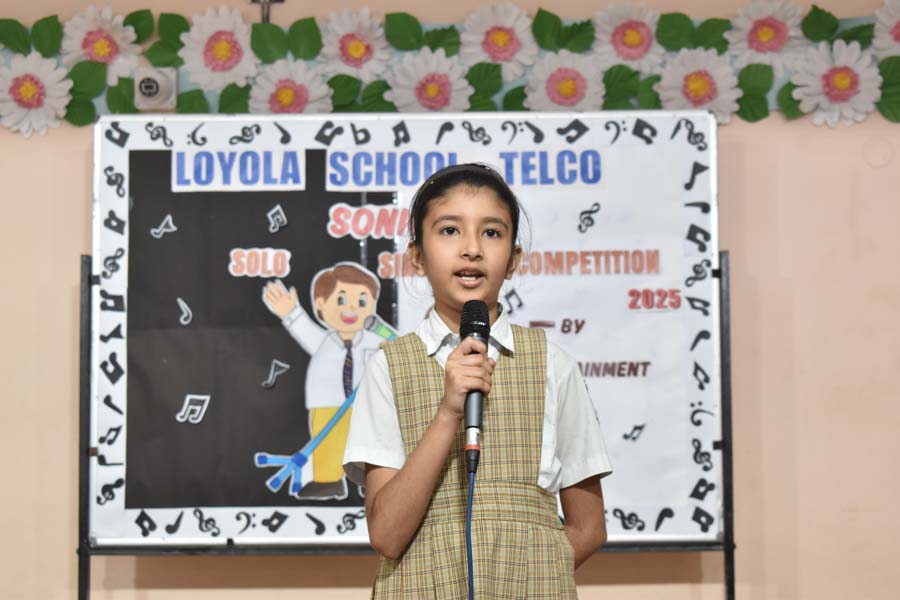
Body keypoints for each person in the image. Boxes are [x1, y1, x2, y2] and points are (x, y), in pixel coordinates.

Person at [342, 163, 612, 598]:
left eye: (491, 232)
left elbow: (589, 526)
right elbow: (387, 536)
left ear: (514, 260)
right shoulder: (388, 367)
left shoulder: (553, 364)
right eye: (450, 231)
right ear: (417, 257)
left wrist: (537, 575)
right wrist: (448, 413)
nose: (471, 249)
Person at [263, 262, 386, 500]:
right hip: (327, 405)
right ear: (320, 304)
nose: (351, 308)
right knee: (328, 444)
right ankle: (329, 481)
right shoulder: (323, 342)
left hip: (367, 406)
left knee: (371, 443)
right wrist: (290, 312)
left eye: (362, 301)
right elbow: (303, 329)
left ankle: (373, 480)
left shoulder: (375, 341)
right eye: (341, 300)